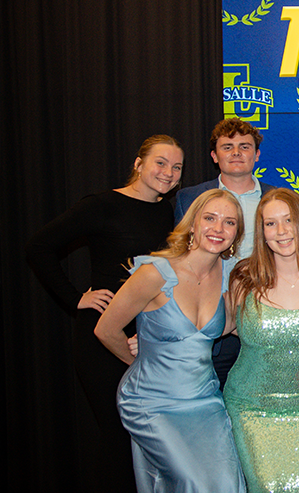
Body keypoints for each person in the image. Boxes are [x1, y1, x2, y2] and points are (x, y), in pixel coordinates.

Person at [25, 135, 184, 493]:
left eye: (176, 167)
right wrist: (74, 299)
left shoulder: (166, 211)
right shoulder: (101, 205)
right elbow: (39, 246)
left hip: (148, 335)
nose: (168, 172)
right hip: (103, 336)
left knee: (145, 436)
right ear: (139, 164)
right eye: (160, 163)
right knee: (117, 434)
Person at [94, 189, 247, 492]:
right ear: (192, 224)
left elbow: (232, 327)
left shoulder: (230, 279)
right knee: (194, 483)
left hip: (205, 402)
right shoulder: (155, 273)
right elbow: (105, 329)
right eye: (210, 218)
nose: (218, 228)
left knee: (228, 483)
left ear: (236, 234)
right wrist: (143, 359)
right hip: (152, 402)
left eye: (229, 222)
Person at [222, 189, 299, 493]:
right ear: (261, 231)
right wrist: (154, 335)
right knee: (265, 487)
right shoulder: (244, 277)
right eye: (270, 223)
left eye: (288, 220)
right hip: (251, 408)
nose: (281, 231)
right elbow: (220, 325)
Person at [175, 117, 278, 388]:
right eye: (227, 147)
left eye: (244, 147)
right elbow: (178, 257)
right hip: (209, 323)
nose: (236, 153)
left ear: (257, 155)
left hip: (264, 318)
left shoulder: (277, 198)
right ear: (214, 156)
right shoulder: (190, 198)